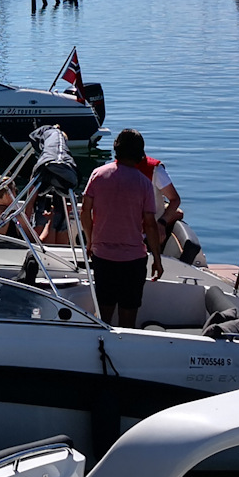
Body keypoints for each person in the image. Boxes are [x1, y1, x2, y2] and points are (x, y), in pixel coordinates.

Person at [78, 129, 164, 328]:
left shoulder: (98, 175)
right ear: (140, 154)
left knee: (103, 317)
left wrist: (90, 241)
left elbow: (85, 212)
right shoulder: (144, 184)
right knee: (128, 319)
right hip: (133, 261)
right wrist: (157, 260)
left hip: (103, 257)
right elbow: (150, 225)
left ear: (116, 149)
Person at [125, 147, 184, 255]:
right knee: (178, 213)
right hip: (146, 234)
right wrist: (162, 223)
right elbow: (175, 199)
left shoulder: (108, 171)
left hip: (116, 233)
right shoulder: (154, 170)